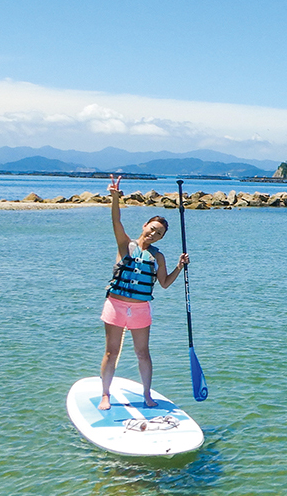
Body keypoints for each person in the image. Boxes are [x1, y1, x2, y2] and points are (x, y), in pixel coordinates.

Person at [98, 175, 188, 410]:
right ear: (145, 226)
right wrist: (115, 199)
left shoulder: (157, 257)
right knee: (111, 351)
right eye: (152, 229)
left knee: (143, 353)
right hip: (116, 305)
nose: (153, 234)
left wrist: (179, 266)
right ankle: (105, 394)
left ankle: (147, 395)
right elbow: (116, 220)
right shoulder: (125, 244)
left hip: (140, 309)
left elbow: (165, 283)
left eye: (159, 234)